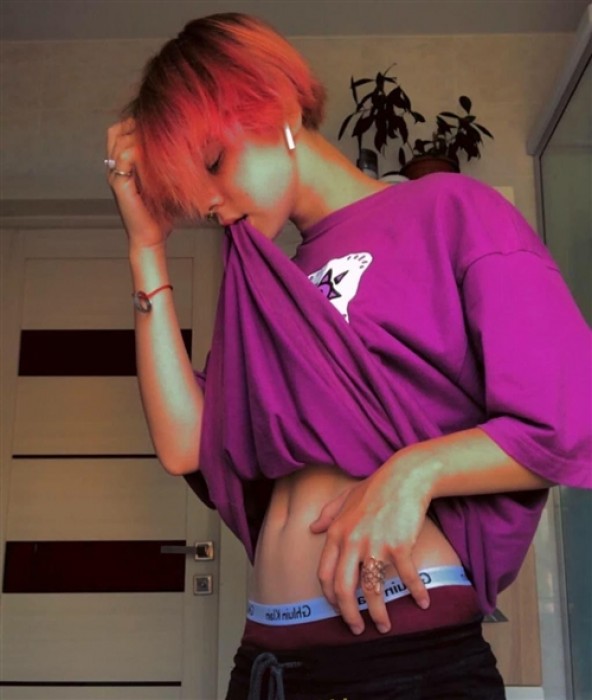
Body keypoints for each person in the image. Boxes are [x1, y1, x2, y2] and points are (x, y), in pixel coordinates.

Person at [106, 13, 591, 700]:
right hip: (265, 663)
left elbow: (566, 417)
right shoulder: (265, 286)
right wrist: (145, 246)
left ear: (275, 105)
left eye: (213, 163)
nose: (209, 202)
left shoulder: (451, 211)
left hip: (405, 664)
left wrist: (413, 472)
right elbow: (186, 445)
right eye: (191, 190)